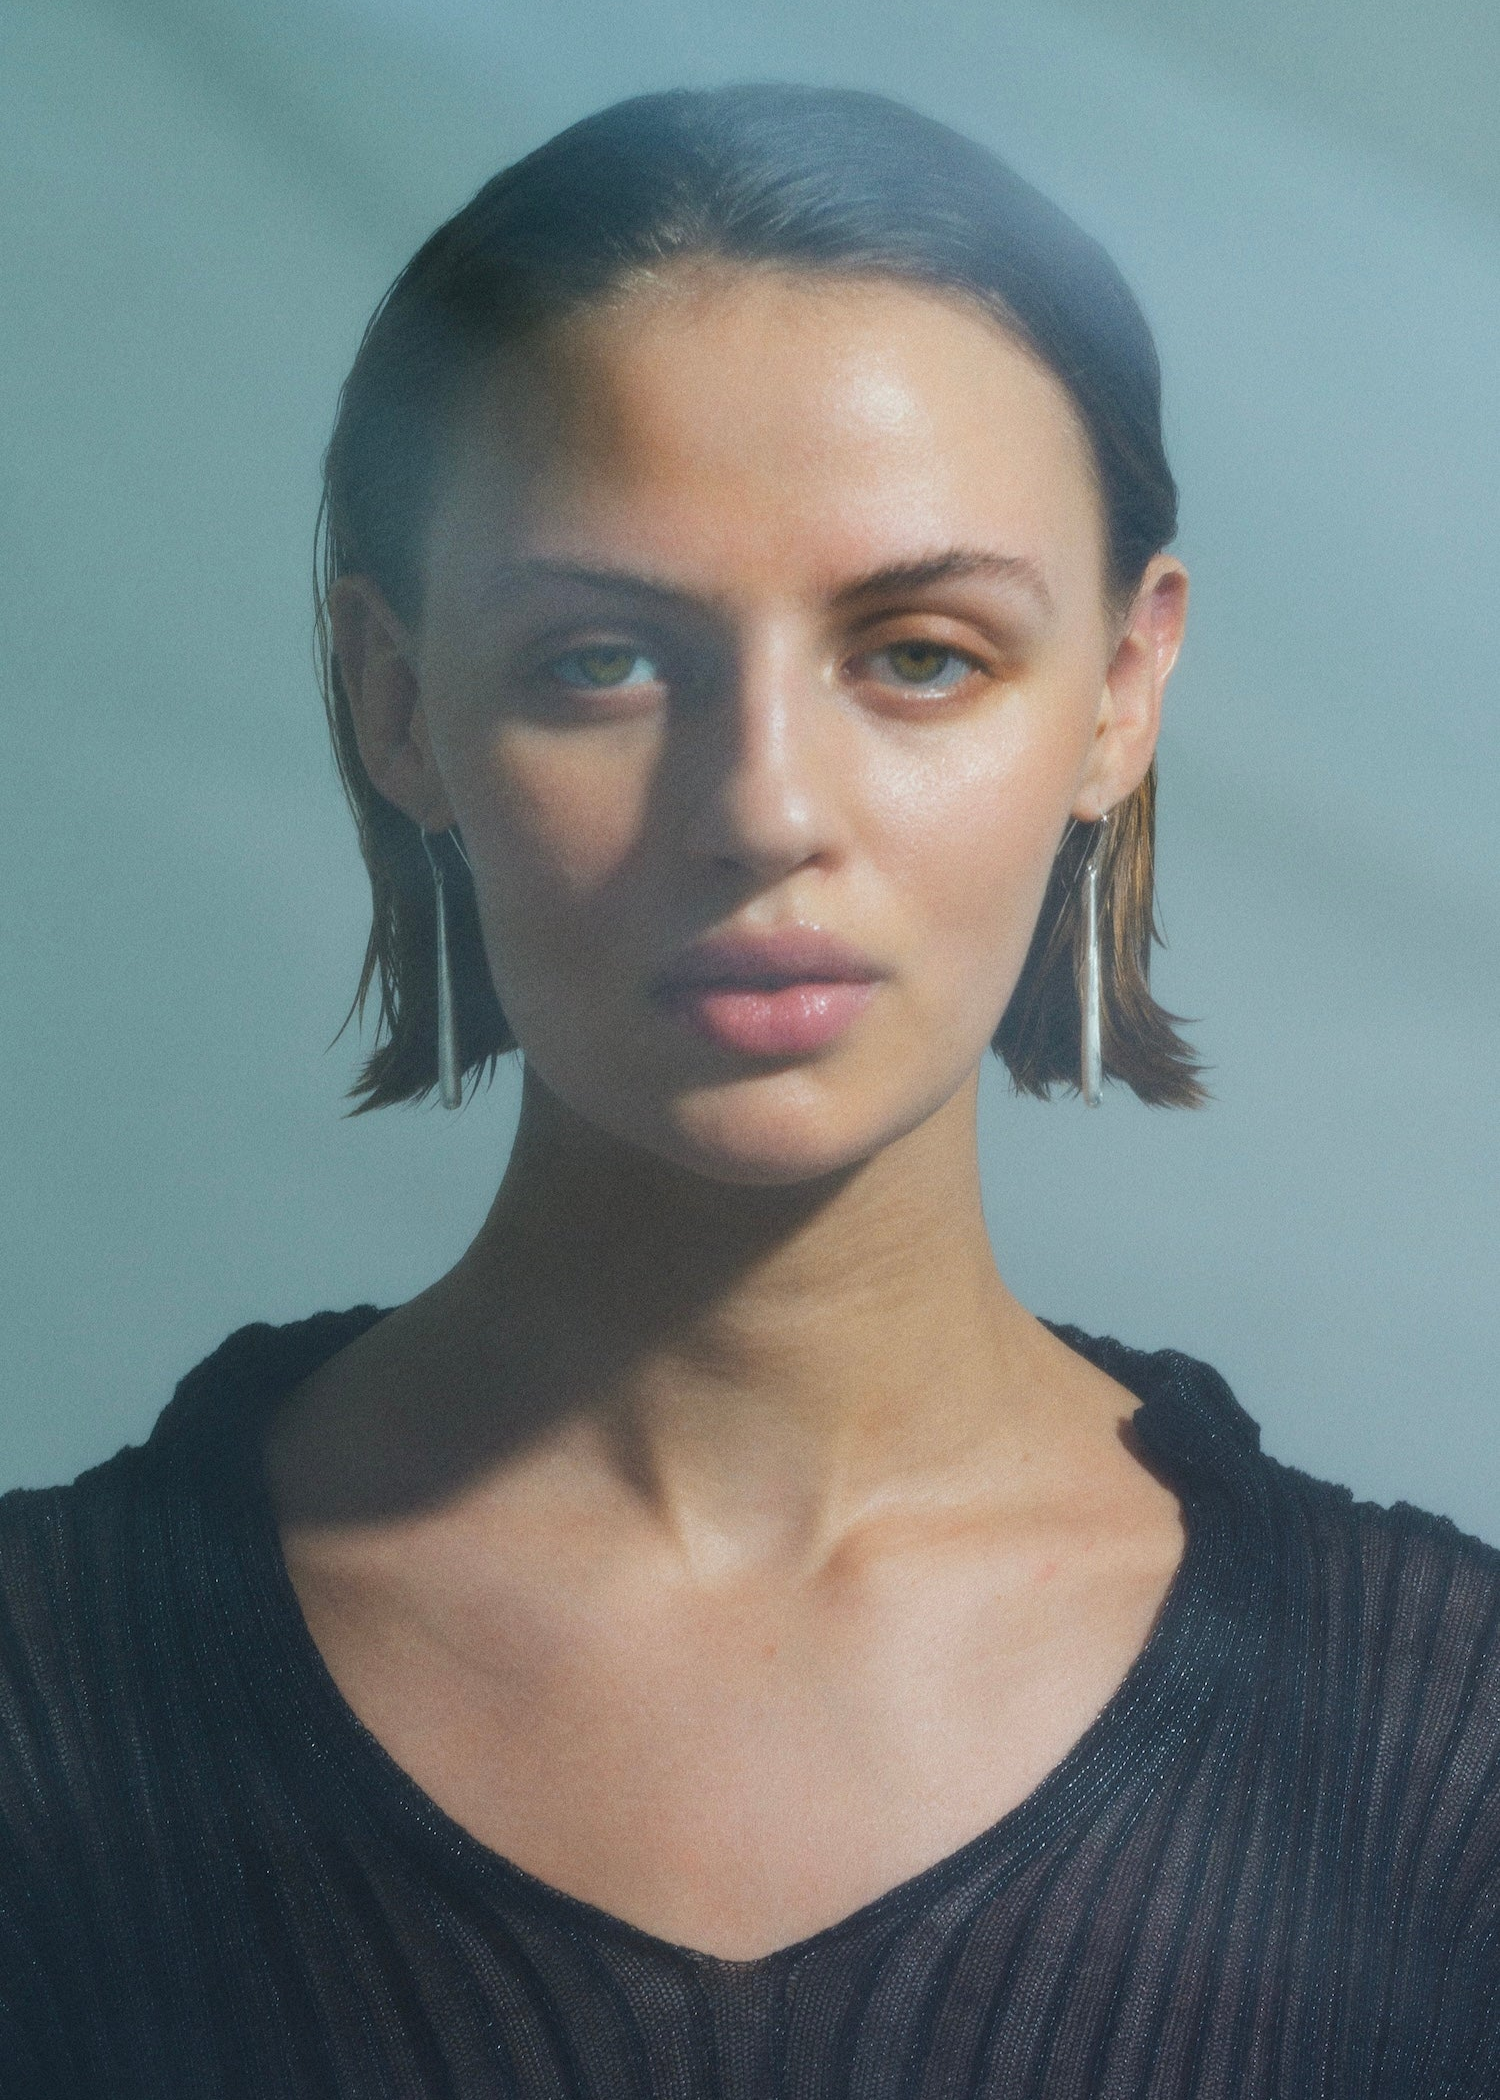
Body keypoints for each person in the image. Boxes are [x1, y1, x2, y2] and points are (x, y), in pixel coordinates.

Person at [3, 81, 1498, 2100]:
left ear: (1123, 691)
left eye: (923, 653)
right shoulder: (45, 1703)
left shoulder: (1448, 1754)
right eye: (601, 661)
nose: (765, 809)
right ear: (395, 703)